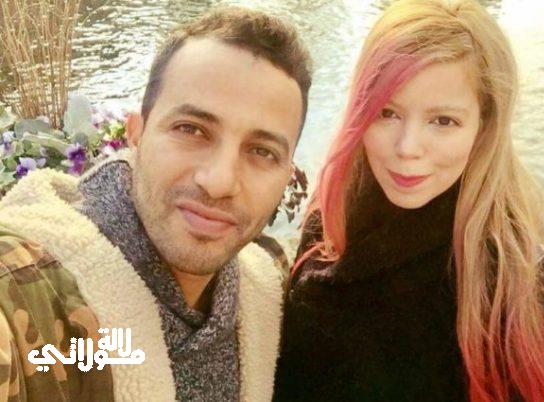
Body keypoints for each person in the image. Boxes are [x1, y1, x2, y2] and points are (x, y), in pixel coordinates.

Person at [273, 0, 544, 401]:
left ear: (484, 127)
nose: (407, 148)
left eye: (443, 121)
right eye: (387, 112)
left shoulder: (528, 307)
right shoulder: (330, 219)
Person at [0, 5, 312, 402]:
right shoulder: (31, 290)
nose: (219, 182)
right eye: (192, 129)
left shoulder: (266, 290)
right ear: (137, 132)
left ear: (287, 174)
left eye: (262, 151)